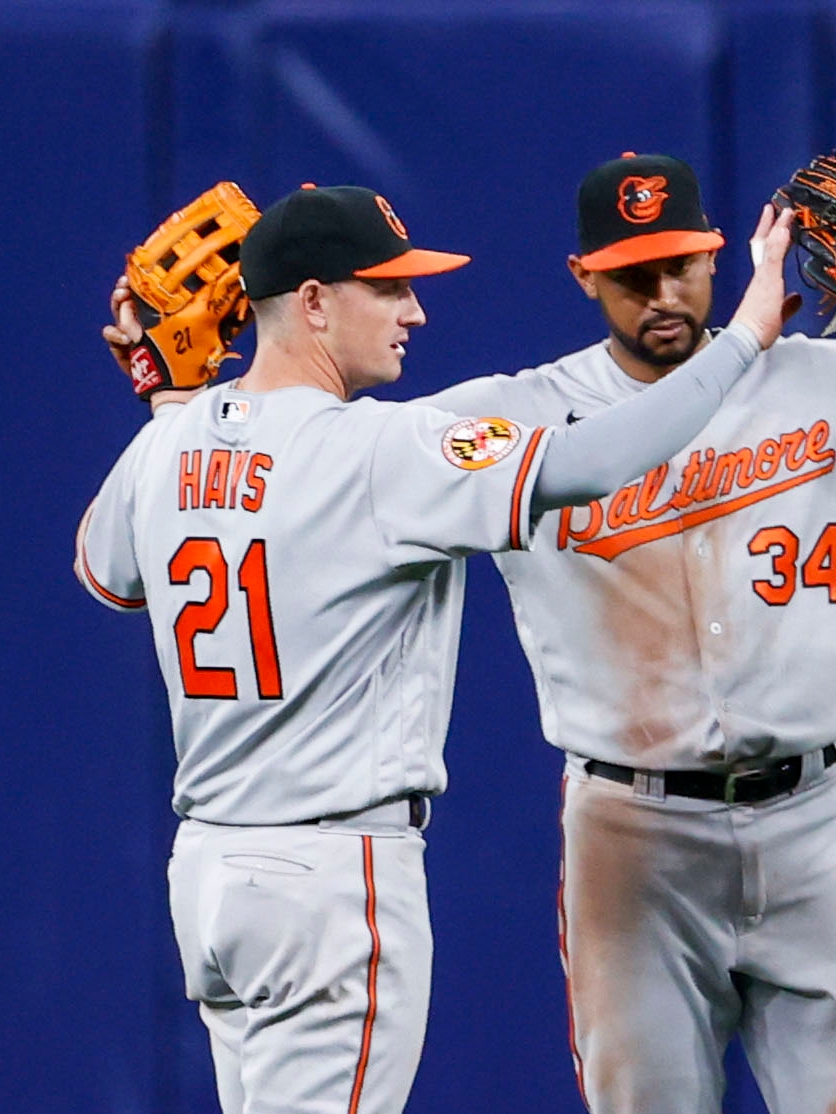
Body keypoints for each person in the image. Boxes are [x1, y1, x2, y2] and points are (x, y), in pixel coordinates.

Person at [74, 182, 796, 1114]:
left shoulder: (165, 445)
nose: (415, 309)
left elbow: (106, 572)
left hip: (214, 881)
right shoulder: (382, 448)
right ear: (315, 302)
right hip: (330, 883)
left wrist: (170, 406)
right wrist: (742, 340)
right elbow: (592, 462)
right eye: (388, 286)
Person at [415, 152, 836, 1114]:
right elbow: (342, 474)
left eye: (682, 263)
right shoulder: (514, 416)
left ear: (722, 257)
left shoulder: (833, 383)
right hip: (632, 835)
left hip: (811, 818)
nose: (664, 292)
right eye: (634, 274)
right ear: (583, 276)